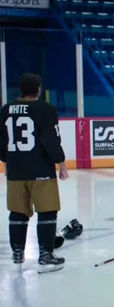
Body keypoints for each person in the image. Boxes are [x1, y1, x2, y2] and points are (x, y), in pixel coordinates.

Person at [0, 73, 68, 274]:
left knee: (18, 211)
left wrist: (7, 162)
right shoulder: (45, 109)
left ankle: (18, 253)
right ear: (38, 89)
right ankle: (46, 255)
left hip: (15, 170)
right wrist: (61, 164)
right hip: (40, 170)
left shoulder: (5, 110)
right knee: (47, 211)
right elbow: (51, 140)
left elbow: (1, 141)